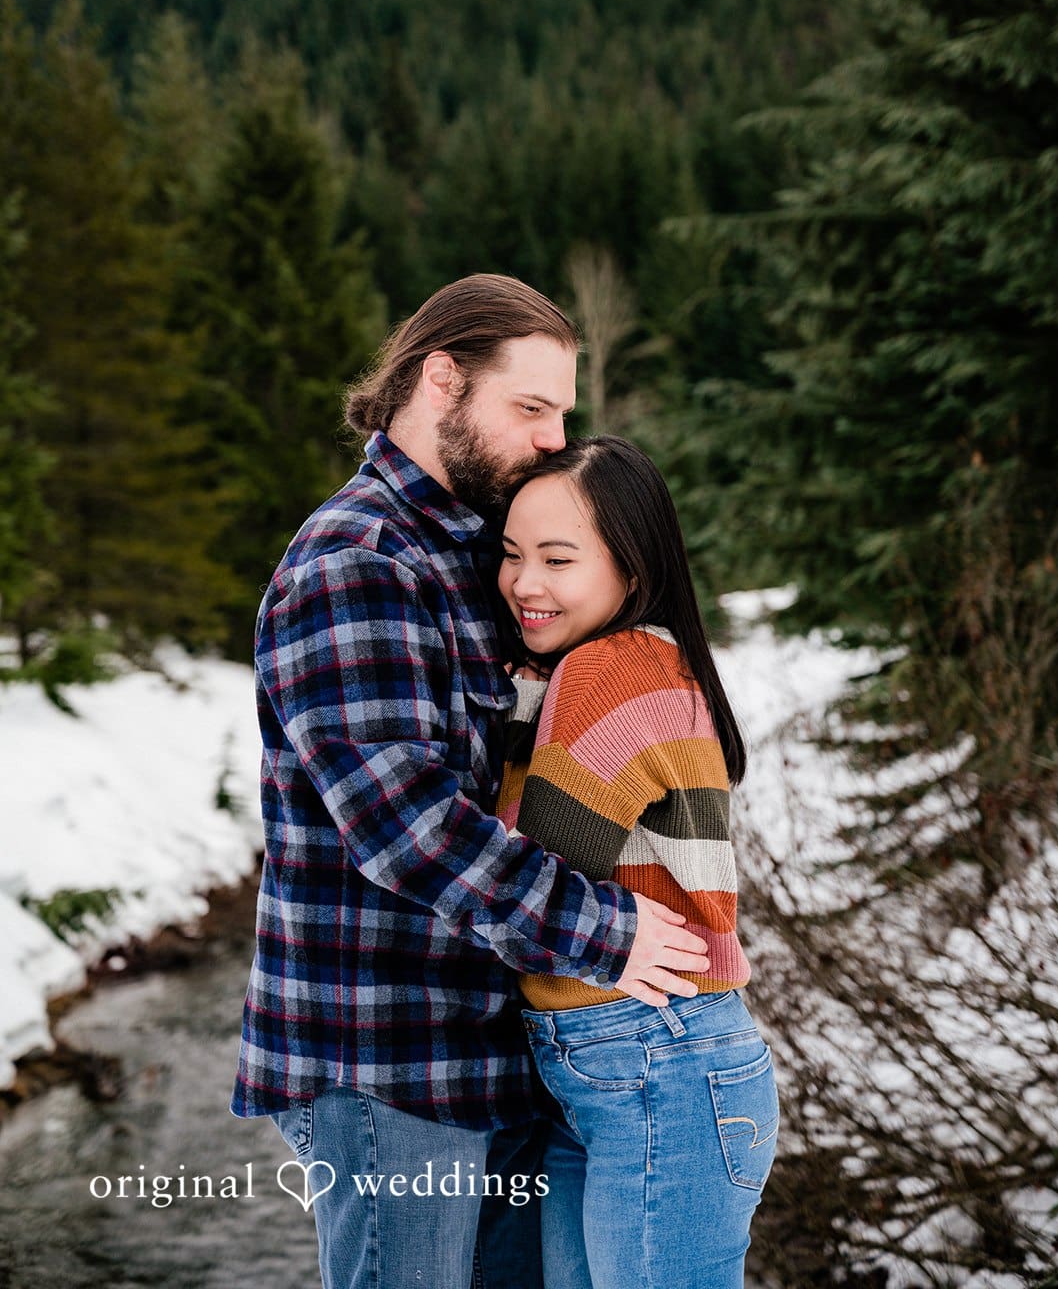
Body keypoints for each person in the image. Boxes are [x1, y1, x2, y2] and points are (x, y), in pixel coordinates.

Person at [230, 275, 710, 1289]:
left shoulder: (477, 552)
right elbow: (406, 822)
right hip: (385, 1058)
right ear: (439, 379)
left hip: (497, 1051)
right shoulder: (354, 560)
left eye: (564, 413)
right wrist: (606, 933)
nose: (552, 437)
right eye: (530, 407)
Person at [496, 435, 778, 1289]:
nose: (523, 584)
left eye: (557, 559)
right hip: (625, 1061)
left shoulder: (608, 672)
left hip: (652, 1054)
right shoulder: (635, 663)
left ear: (632, 565)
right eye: (510, 556)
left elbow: (528, 884)